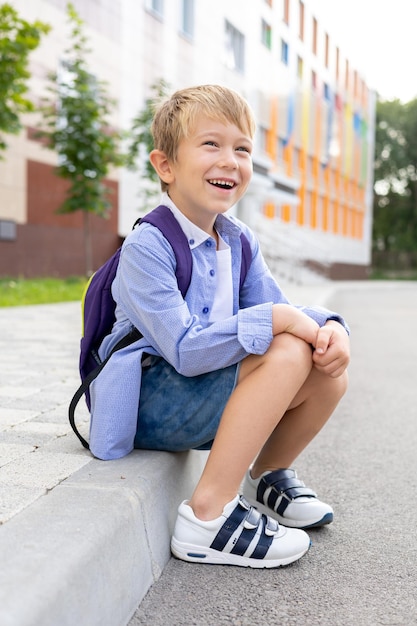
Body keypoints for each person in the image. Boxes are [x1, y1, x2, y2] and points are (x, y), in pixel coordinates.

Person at [89, 84, 350, 569]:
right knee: (288, 348)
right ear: (166, 166)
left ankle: (268, 475)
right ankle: (208, 518)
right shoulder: (148, 245)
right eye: (211, 144)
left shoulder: (238, 240)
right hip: (151, 403)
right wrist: (280, 322)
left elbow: (280, 309)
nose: (230, 160)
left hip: (198, 393)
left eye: (242, 148)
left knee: (325, 366)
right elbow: (186, 351)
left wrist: (330, 328)